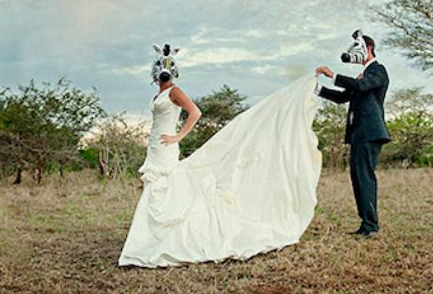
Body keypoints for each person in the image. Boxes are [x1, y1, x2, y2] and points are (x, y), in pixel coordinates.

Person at [118, 43, 323, 267]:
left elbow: (195, 112)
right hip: (155, 147)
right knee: (156, 188)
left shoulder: (174, 92)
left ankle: (156, 242)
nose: (163, 73)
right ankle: (150, 240)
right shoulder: (159, 93)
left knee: (162, 186)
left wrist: (178, 136)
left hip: (166, 147)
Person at [315, 30, 390, 238]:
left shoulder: (378, 71)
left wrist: (334, 75)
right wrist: (317, 89)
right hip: (359, 133)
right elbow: (342, 97)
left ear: (368, 49)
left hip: (370, 132)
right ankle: (366, 224)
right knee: (358, 178)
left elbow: (362, 86)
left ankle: (371, 226)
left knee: (364, 177)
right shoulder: (362, 75)